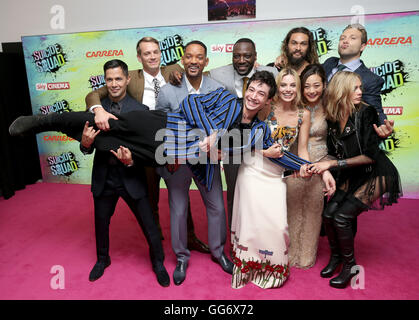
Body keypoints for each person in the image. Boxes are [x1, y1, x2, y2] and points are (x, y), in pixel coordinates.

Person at [85, 37, 207, 252]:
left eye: (155, 52)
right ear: (139, 57)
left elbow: (202, 77)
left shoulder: (175, 70)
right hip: (143, 147)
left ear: (161, 53)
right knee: (149, 195)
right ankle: (155, 235)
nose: (152, 57)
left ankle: (189, 237)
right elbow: (95, 93)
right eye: (146, 53)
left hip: (172, 145)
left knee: (180, 194)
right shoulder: (129, 78)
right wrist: (98, 109)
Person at [230, 68, 334, 289]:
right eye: (284, 85)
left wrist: (315, 170)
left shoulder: (303, 114)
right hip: (253, 168)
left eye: (293, 85)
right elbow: (243, 137)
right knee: (251, 224)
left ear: (298, 88)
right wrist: (264, 152)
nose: (288, 90)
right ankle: (247, 267)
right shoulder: (266, 106)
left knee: (277, 226)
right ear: (278, 87)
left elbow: (303, 151)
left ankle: (270, 270)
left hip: (276, 175)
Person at [69, 59, 170, 286]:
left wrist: (132, 160)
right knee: (101, 222)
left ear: (127, 79)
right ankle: (102, 259)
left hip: (131, 177)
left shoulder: (142, 111)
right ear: (105, 81)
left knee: (149, 224)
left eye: (118, 78)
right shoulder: (96, 110)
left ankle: (158, 262)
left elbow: (149, 153)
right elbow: (87, 146)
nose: (114, 84)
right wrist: (85, 145)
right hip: (104, 178)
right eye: (109, 79)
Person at [308, 71, 402, 288]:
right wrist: (328, 171)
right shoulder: (332, 116)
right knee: (328, 213)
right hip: (352, 173)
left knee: (341, 217)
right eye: (355, 88)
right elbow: (336, 151)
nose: (361, 92)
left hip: (376, 171)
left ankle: (350, 267)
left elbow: (368, 156)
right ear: (341, 91)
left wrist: (331, 165)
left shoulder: (365, 112)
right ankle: (336, 258)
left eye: (361, 87)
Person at [155, 40, 225, 285]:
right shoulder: (167, 91)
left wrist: (219, 145)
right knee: (178, 209)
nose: (194, 61)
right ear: (183, 60)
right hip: (178, 160)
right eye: (189, 56)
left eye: (199, 57)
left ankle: (218, 251)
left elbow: (222, 126)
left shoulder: (217, 88)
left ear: (206, 61)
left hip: (206, 160)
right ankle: (182, 257)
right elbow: (161, 125)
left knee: (216, 205)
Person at [208, 38, 279, 229]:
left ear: (255, 57)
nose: (241, 60)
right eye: (236, 56)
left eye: (247, 56)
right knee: (234, 192)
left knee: (261, 193)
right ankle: (235, 235)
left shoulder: (273, 73)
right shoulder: (216, 75)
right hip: (232, 142)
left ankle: (260, 233)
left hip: (261, 137)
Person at [322, 24, 387, 124]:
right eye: (342, 38)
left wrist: (383, 125)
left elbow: (375, 111)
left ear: (362, 46)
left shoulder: (371, 80)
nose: (345, 41)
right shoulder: (329, 63)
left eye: (352, 38)